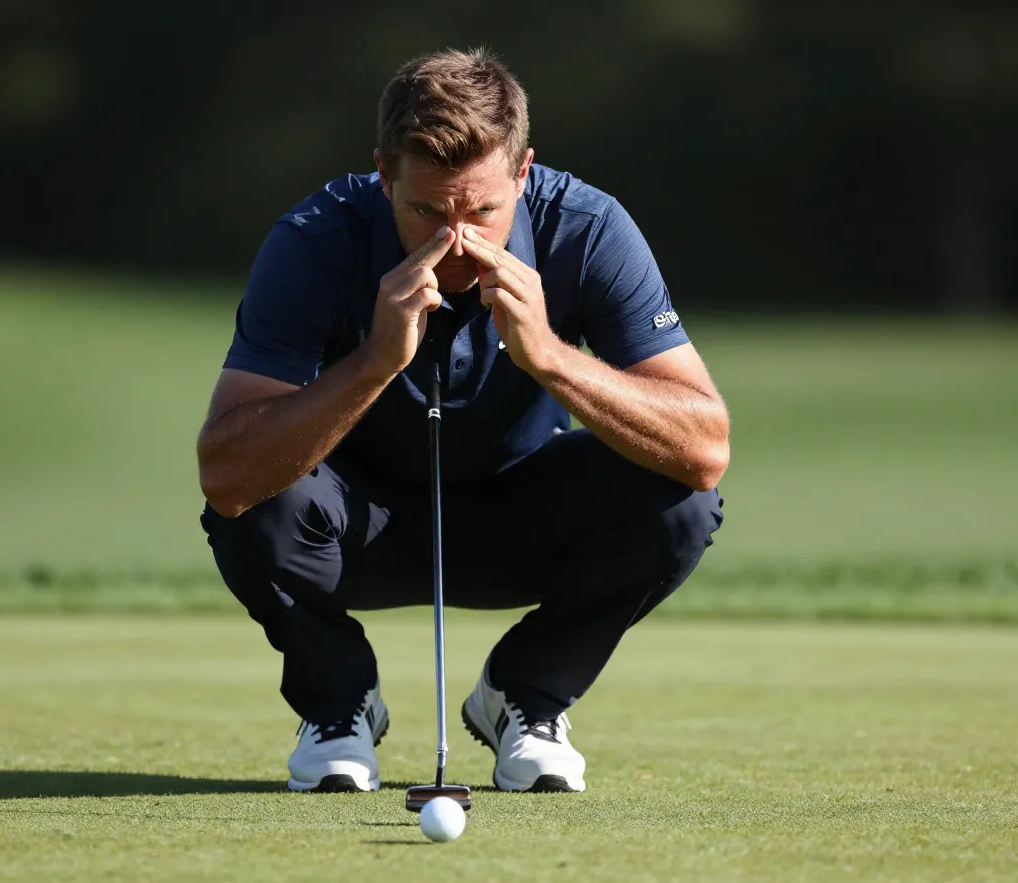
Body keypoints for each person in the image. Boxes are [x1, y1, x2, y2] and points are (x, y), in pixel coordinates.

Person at [196, 47, 729, 795]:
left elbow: (705, 447)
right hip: (357, 525)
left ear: (523, 171)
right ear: (383, 175)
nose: (456, 241)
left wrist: (548, 356)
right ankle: (338, 703)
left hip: (522, 516)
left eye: (482, 210)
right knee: (256, 501)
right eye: (425, 211)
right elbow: (223, 471)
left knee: (681, 501)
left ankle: (524, 695)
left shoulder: (588, 228)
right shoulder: (315, 240)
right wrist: (377, 359)